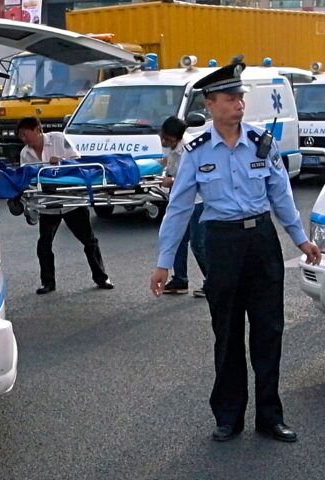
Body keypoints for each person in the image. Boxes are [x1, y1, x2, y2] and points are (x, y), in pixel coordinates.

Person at [149, 62, 321, 443]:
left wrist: (300, 239)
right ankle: (228, 416)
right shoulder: (196, 149)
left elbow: (281, 195)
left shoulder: (262, 141)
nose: (238, 105)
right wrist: (164, 262)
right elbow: (178, 207)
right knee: (226, 332)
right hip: (222, 242)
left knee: (269, 330)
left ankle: (270, 416)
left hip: (261, 242)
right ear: (210, 105)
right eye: (229, 99)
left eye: (240, 98)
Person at [17, 116, 114, 294]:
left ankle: (101, 277)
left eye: (26, 134)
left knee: (89, 240)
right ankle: (47, 282)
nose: (24, 139)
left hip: (71, 200)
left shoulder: (58, 139)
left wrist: (61, 161)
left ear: (38, 130)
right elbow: (27, 178)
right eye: (21, 136)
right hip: (49, 201)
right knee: (44, 243)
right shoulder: (25, 153)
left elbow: (78, 162)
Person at [159, 116, 208, 297]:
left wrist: (172, 181)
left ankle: (212, 282)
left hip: (197, 201)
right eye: (163, 137)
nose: (164, 142)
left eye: (168, 139)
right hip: (180, 200)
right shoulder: (168, 145)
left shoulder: (190, 148)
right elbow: (168, 164)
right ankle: (180, 280)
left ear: (178, 138)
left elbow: (196, 177)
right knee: (178, 239)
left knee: (198, 244)